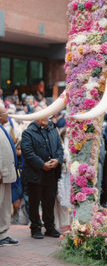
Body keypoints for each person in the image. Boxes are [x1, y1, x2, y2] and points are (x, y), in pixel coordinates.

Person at [21, 117, 64, 239]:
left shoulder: (53, 130)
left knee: (49, 202)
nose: (45, 118)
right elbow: (28, 153)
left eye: (47, 116)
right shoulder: (28, 132)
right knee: (34, 202)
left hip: (52, 172)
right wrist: (42, 164)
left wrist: (58, 160)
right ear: (36, 118)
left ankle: (50, 227)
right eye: (43, 116)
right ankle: (35, 228)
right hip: (35, 173)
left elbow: (60, 148)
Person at [0, 103, 20, 246]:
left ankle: (3, 234)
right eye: (6, 112)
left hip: (7, 174)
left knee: (5, 206)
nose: (8, 114)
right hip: (1, 174)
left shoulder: (3, 128)